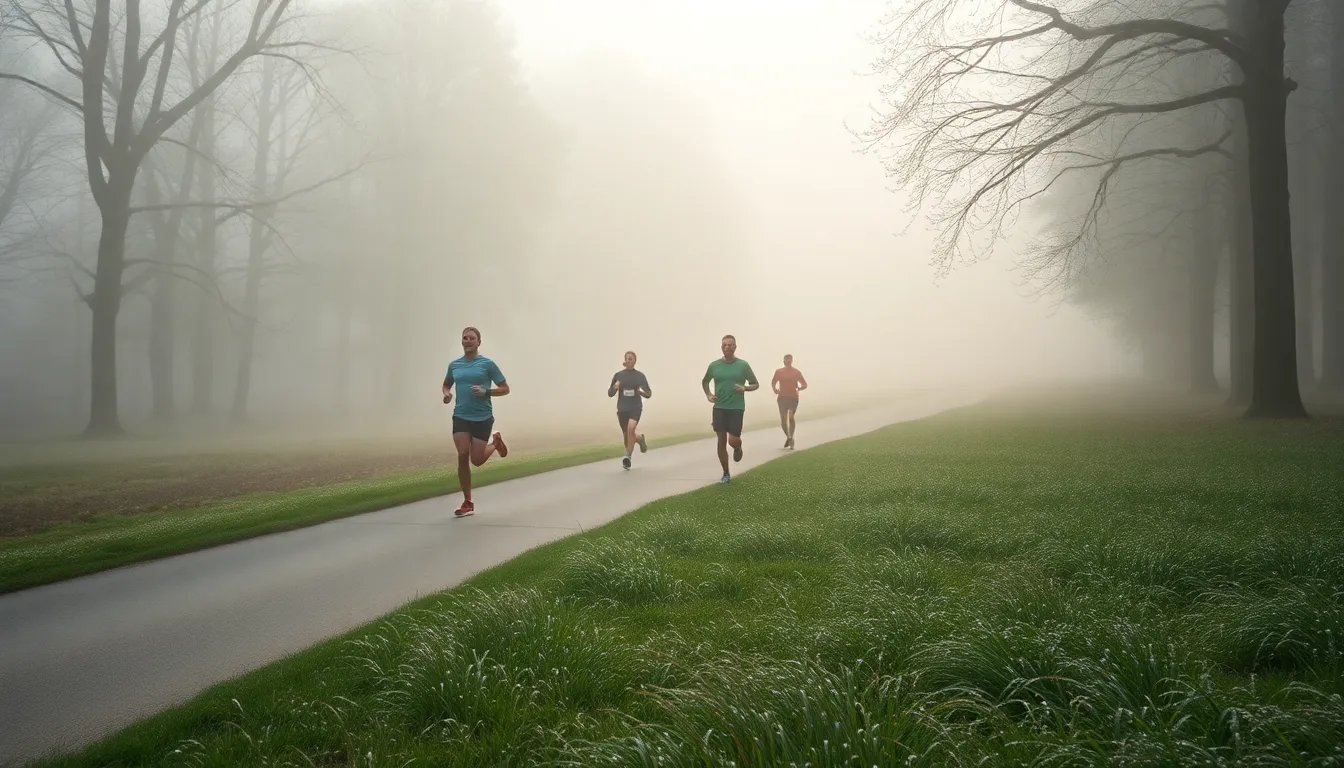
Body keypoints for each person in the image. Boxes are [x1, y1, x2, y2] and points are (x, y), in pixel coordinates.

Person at [441, 326, 509, 517]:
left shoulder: (487, 364)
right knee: (463, 454)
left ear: (479, 342)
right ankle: (467, 502)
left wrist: (486, 391)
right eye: (465, 338)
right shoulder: (454, 365)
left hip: (483, 417)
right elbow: (447, 383)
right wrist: (447, 394)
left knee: (476, 460)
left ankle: (495, 443)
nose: (468, 341)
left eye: (472, 338)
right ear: (462, 342)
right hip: (461, 415)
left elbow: (505, 388)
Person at [701, 334, 758, 483]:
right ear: (721, 347)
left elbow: (755, 384)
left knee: (732, 440)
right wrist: (708, 395)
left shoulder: (743, 365)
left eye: (730, 345)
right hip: (719, 407)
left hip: (736, 407)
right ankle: (725, 473)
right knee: (721, 440)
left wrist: (744, 388)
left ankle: (737, 447)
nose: (727, 347)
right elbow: (705, 381)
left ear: (735, 347)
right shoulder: (714, 365)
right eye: (724, 345)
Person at [608, 350, 652, 469]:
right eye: (627, 358)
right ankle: (639, 439)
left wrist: (640, 392)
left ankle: (628, 457)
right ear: (625, 360)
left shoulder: (639, 376)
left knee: (631, 429)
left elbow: (649, 393)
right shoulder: (618, 375)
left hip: (635, 407)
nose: (629, 360)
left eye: (631, 359)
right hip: (622, 408)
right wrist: (615, 387)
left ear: (635, 361)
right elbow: (610, 393)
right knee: (627, 434)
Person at [771, 354, 808, 449]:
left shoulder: (796, 372)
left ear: (791, 361)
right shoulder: (779, 372)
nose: (787, 361)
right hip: (782, 397)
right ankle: (790, 437)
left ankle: (791, 437)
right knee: (783, 420)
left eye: (789, 360)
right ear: (783, 361)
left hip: (793, 397)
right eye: (786, 359)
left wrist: (799, 388)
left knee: (791, 416)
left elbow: (804, 384)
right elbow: (773, 382)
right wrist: (775, 389)